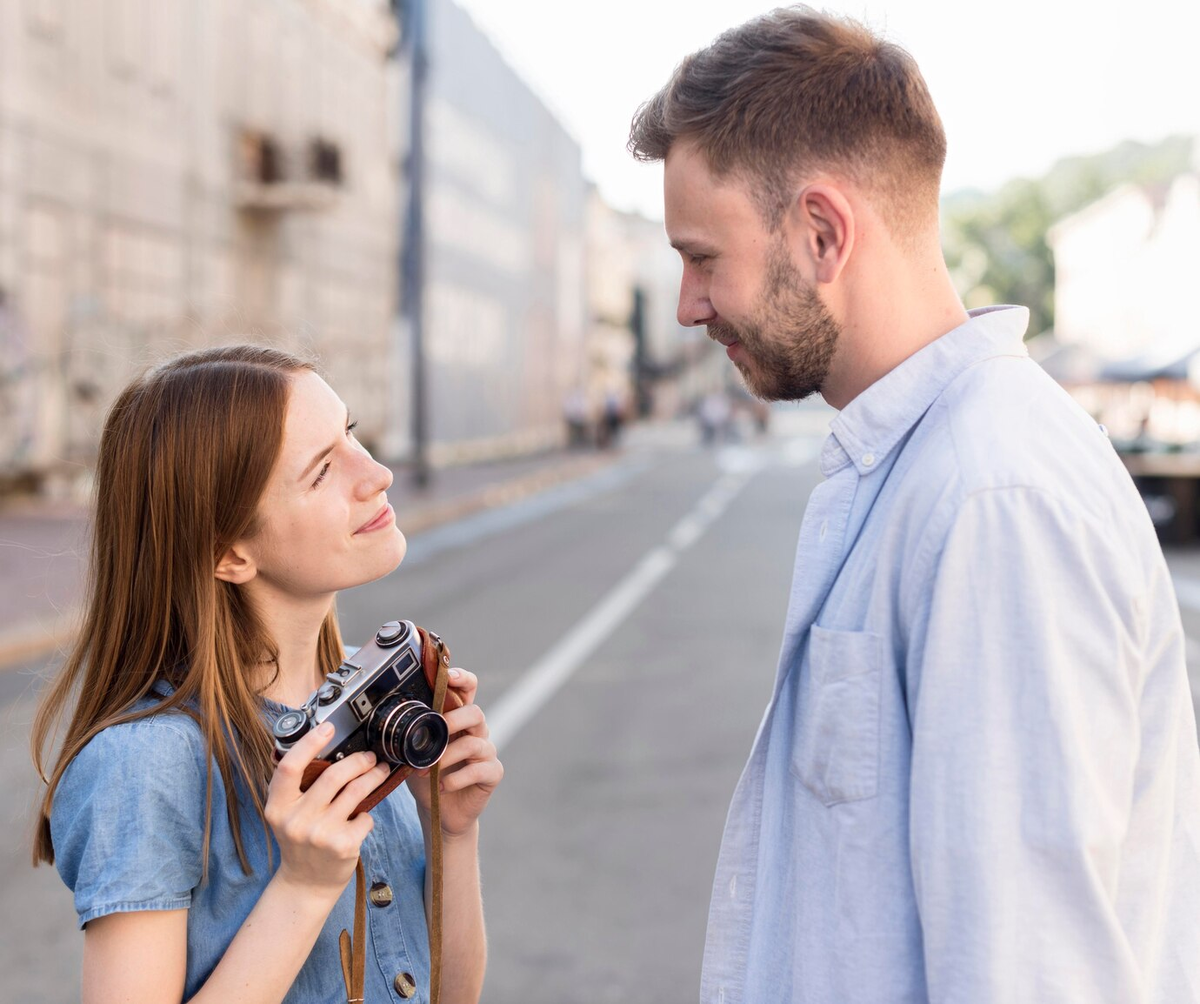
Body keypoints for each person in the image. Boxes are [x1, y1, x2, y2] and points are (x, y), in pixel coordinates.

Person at [629, 8, 1200, 1003]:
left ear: (822, 232)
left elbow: (1030, 973)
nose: (688, 305)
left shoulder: (993, 499)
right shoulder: (931, 466)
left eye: (703, 257)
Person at [30, 345, 503, 1003]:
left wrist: (451, 829)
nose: (378, 474)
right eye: (322, 471)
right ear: (229, 553)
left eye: (351, 434)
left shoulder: (368, 706)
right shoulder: (147, 762)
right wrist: (303, 888)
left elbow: (449, 995)